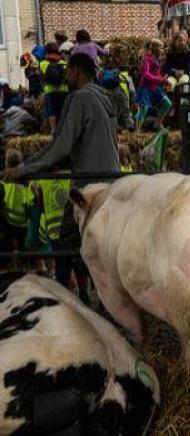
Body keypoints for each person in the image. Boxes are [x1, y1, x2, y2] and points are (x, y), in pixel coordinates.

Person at [1, 53, 121, 303]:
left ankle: (73, 300)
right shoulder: (105, 97)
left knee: (66, 240)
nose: (65, 77)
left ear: (76, 71)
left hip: (87, 187)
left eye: (68, 72)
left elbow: (60, 147)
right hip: (111, 182)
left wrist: (22, 170)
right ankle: (93, 294)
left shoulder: (80, 98)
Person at [136, 38, 173, 131]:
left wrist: (164, 80)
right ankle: (137, 131)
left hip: (154, 88)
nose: (163, 50)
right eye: (161, 48)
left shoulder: (157, 60)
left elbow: (156, 74)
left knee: (167, 103)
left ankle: (158, 123)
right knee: (143, 109)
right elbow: (146, 75)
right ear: (155, 48)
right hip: (145, 89)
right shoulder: (147, 59)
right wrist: (161, 79)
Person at [39, 43, 69, 133]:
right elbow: (67, 77)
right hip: (64, 90)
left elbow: (41, 78)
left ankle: (53, 131)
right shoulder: (64, 63)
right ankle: (64, 130)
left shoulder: (43, 63)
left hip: (50, 90)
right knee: (63, 111)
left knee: (51, 111)